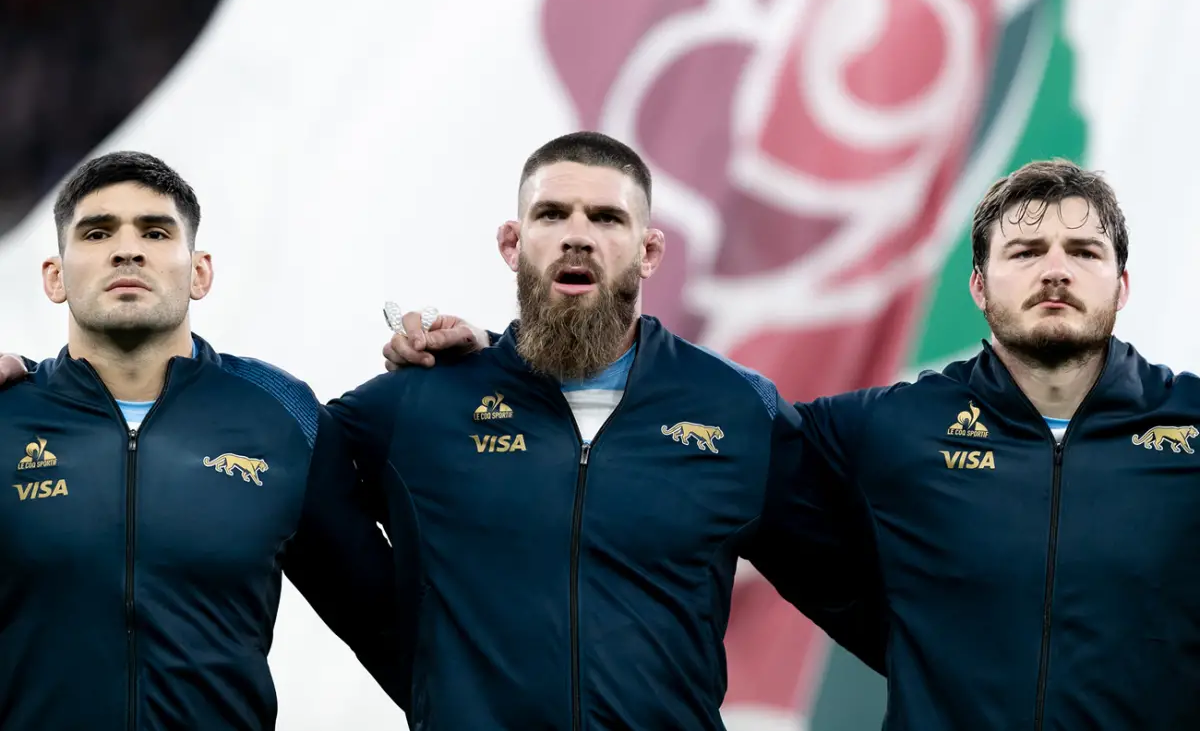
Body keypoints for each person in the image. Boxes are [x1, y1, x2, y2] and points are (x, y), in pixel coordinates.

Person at [387, 156, 1200, 729]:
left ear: (1122, 284)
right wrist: (507, 362)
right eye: (1025, 252)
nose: (1054, 270)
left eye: (1083, 252)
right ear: (980, 287)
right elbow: (675, 415)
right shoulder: (889, 425)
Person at [323, 130, 883, 730]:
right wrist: (420, 672)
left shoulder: (732, 408)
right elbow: (279, 470)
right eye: (552, 213)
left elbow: (858, 597)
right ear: (513, 243)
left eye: (608, 217)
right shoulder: (421, 403)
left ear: (648, 251)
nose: (578, 234)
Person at [0, 152, 418, 730]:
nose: (127, 249)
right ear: (55, 275)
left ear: (200, 272)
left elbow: (392, 633)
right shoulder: (6, 417)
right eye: (97, 233)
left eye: (155, 231)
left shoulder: (282, 416)